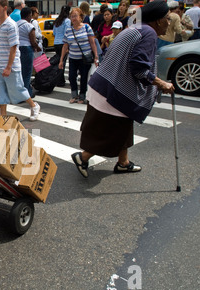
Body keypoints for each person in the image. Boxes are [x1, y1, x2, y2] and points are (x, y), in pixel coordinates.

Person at [71, 0, 175, 179]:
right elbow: (139, 68)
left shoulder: (135, 28)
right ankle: (83, 157)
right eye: (167, 19)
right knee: (112, 132)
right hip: (112, 91)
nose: (169, 22)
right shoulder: (148, 33)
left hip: (103, 84)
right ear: (158, 20)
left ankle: (123, 162)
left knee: (124, 126)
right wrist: (161, 83)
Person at [0, 0, 40, 120]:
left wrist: (9, 67)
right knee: (0, 92)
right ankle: (3, 117)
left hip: (12, 66)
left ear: (4, 8)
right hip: (0, 65)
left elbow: (14, 47)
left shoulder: (11, 25)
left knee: (18, 90)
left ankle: (34, 106)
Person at [59, 8, 99, 104]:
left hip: (84, 58)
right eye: (72, 16)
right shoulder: (68, 30)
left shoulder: (86, 28)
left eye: (76, 16)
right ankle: (74, 95)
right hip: (73, 58)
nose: (73, 18)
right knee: (72, 77)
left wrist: (96, 56)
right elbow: (65, 46)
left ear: (81, 17)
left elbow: (92, 42)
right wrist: (61, 60)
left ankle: (82, 96)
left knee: (84, 77)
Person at [17, 7, 41, 98]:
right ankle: (27, 93)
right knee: (27, 72)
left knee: (20, 72)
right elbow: (33, 41)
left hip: (17, 49)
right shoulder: (29, 26)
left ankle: (20, 91)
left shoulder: (16, 24)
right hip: (27, 49)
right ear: (29, 15)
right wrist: (37, 47)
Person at [53, 5, 71, 87]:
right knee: (62, 61)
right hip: (63, 43)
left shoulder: (57, 20)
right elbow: (67, 33)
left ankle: (58, 79)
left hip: (56, 43)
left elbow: (54, 33)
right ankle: (60, 80)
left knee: (58, 62)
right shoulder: (67, 21)